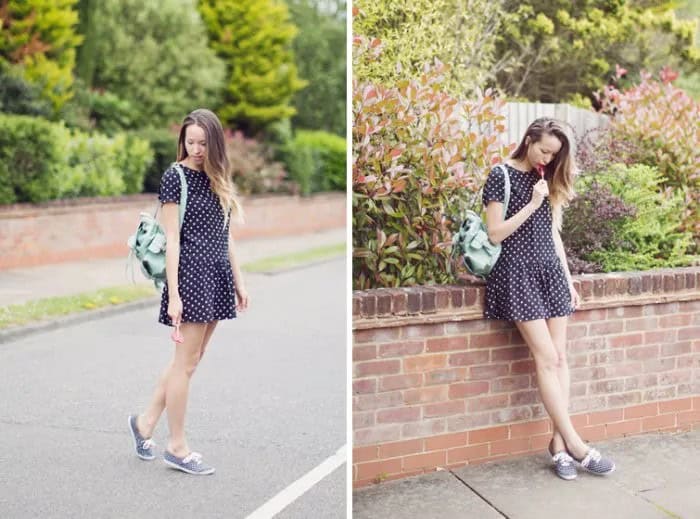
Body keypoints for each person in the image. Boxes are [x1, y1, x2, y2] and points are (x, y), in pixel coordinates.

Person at [482, 117, 615, 480]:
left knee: (561, 357)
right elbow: (495, 234)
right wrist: (531, 202)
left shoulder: (547, 178)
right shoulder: (501, 175)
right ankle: (577, 445)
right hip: (518, 274)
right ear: (528, 140)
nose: (547, 158)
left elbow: (552, 234)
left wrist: (568, 279)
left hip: (551, 272)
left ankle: (557, 446)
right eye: (544, 150)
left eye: (554, 154)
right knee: (546, 357)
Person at [128, 108, 250, 475]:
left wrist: (239, 280)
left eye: (202, 142)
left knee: (191, 362)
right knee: (184, 363)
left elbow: (225, 233)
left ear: (214, 143)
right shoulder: (174, 177)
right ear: (183, 140)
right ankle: (176, 446)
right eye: (190, 141)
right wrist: (175, 293)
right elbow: (173, 239)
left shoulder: (217, 177)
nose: (195, 149)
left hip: (217, 275)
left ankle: (145, 422)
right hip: (192, 276)